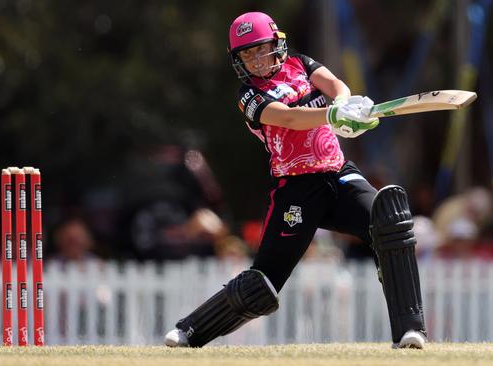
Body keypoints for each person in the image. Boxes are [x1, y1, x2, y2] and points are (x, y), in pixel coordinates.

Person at [164, 12, 426, 349]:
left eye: (261, 49)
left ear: (277, 43)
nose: (256, 60)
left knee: (388, 222)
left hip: (338, 174)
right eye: (247, 54)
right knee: (264, 282)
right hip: (296, 189)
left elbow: (335, 85)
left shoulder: (301, 64)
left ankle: (409, 331)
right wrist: (332, 114)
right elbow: (288, 117)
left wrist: (346, 105)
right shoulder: (249, 96)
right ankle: (190, 331)